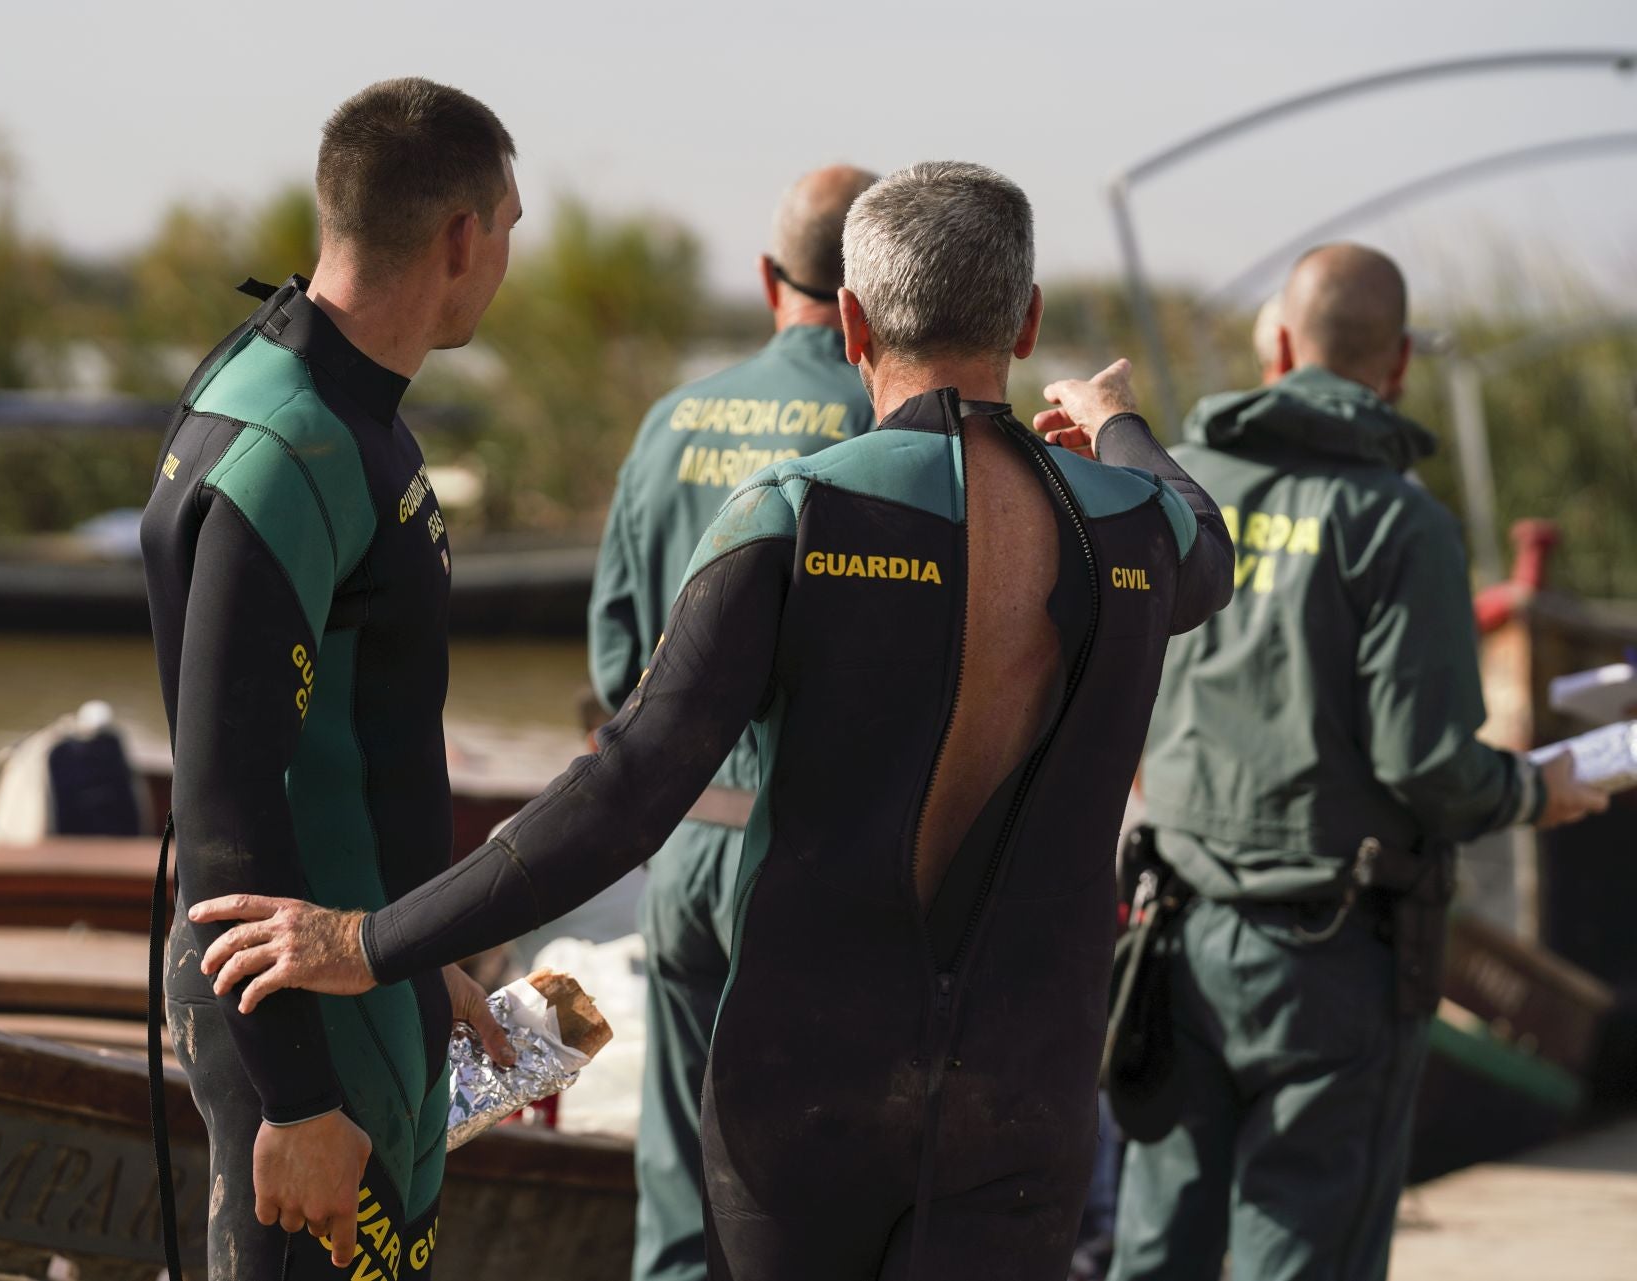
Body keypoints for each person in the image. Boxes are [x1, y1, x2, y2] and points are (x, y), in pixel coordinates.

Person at [193, 161, 1235, 1279]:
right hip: (1023, 1099)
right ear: (1026, 323)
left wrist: (370, 943)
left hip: (806, 1091)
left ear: (850, 321)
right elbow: (1204, 544)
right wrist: (1119, 425)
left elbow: (625, 793)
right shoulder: (1132, 528)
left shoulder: (795, 512)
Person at [1110, 243, 1610, 1281]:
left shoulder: (1184, 487)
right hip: (1330, 963)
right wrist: (1536, 788)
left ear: (1279, 348)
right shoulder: (1401, 524)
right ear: (1397, 370)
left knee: (1158, 1245)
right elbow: (1426, 762)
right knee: (1304, 1249)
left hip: (1173, 938)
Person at [138, 78, 522, 1279]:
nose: (506, 256)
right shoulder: (294, 447)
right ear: (460, 238)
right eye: (508, 228)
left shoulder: (323, 394)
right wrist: (297, 1099)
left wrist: (424, 952)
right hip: (299, 1005)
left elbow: (351, 736)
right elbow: (225, 801)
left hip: (364, 964)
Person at [586, 162, 878, 1281]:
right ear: (877, 294)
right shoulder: (886, 422)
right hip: (816, 860)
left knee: (680, 1174)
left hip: (685, 848)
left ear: (769, 277)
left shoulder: (670, 421)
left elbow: (617, 658)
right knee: (811, 1183)